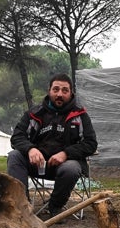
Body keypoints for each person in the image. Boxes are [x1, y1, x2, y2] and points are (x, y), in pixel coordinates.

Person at [7, 73, 98, 218]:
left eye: (64, 90)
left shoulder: (80, 115)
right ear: (49, 91)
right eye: (56, 90)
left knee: (71, 167)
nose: (60, 94)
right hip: (38, 165)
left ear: (71, 93)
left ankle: (54, 207)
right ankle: (22, 207)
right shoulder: (33, 113)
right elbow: (17, 137)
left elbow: (91, 143)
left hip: (66, 167)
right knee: (14, 156)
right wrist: (30, 149)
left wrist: (66, 154)